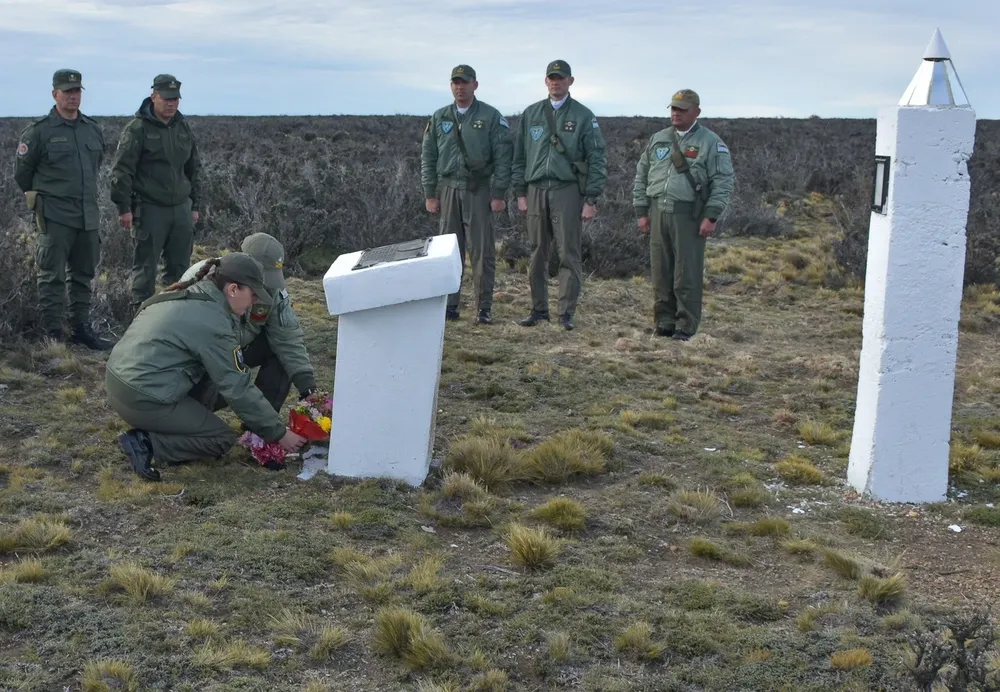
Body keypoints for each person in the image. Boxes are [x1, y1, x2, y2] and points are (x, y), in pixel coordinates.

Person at [105, 252, 308, 481]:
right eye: (252, 295)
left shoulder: (195, 294)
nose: (255, 302)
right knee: (220, 439)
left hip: (122, 381)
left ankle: (166, 426)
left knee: (214, 389)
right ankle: (146, 442)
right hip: (144, 396)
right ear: (233, 289)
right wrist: (280, 434)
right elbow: (237, 387)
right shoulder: (212, 320)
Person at [12, 69, 114, 350]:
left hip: (87, 215)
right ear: (54, 93)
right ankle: (54, 334)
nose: (73, 96)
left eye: (77, 91)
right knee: (52, 276)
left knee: (83, 276)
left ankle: (81, 328)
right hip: (55, 216)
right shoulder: (39, 132)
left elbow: (95, 167)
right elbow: (23, 174)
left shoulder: (91, 129)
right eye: (67, 91)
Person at [511, 60, 607, 331]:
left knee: (568, 253)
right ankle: (538, 309)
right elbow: (519, 156)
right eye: (551, 78)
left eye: (561, 78)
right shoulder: (531, 114)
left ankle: (566, 313)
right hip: (536, 189)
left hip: (567, 190)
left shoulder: (583, 116)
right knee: (537, 252)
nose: (556, 82)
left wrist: (590, 198)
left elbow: (597, 158)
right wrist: (520, 191)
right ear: (545, 81)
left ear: (570, 81)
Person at [632, 89, 735, 340]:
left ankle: (686, 324)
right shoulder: (659, 138)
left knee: (686, 272)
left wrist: (711, 216)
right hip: (658, 211)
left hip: (688, 214)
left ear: (696, 112)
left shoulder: (710, 142)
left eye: (682, 109)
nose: (676, 114)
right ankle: (664, 321)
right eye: (673, 109)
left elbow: (723, 181)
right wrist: (641, 210)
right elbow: (642, 174)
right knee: (661, 270)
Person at [179, 233, 318, 413]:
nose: (266, 286)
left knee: (280, 352)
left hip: (236, 354)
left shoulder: (273, 291)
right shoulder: (205, 281)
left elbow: (287, 337)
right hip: (201, 365)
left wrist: (307, 387)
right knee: (208, 428)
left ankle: (260, 430)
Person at [420, 64, 512, 324]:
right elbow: (429, 156)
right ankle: (450, 305)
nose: (460, 87)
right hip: (449, 189)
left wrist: (499, 193)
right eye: (455, 82)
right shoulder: (440, 117)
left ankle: (484, 307)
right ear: (451, 86)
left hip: (478, 190)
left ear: (475, 85)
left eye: (465, 82)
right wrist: (430, 192)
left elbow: (503, 157)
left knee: (482, 251)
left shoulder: (491, 116)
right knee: (448, 250)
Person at [109, 74, 202, 317]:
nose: (171, 103)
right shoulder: (137, 129)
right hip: (149, 208)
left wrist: (195, 205)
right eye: (166, 98)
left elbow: (194, 169)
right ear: (154, 97)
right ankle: (140, 320)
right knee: (145, 268)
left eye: (175, 99)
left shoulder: (183, 127)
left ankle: (175, 318)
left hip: (181, 207)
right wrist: (124, 207)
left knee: (180, 268)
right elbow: (122, 171)